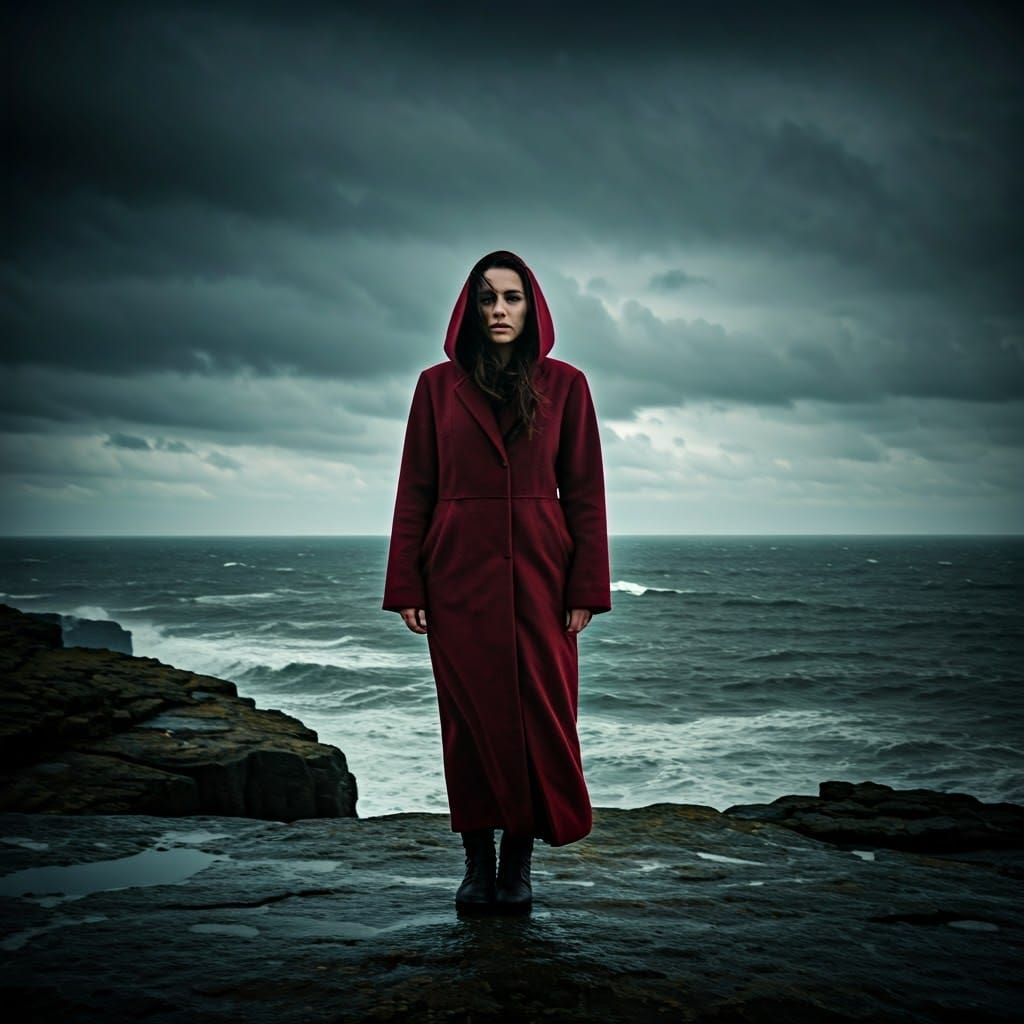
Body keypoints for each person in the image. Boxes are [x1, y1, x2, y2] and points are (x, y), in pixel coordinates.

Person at [382, 249, 611, 915]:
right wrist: (407, 586)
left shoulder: (567, 385)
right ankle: (477, 864)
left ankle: (518, 864)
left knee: (541, 718)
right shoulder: (435, 387)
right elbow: (415, 489)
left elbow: (586, 493)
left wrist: (585, 589)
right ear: (470, 308)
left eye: (512, 298)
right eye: (487, 298)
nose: (499, 310)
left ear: (532, 307)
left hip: (542, 577)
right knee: (468, 722)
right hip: (457, 577)